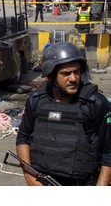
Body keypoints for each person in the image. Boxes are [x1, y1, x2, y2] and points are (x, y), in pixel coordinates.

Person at [16, 42, 111, 186]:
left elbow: (109, 152)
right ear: (51, 76)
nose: (73, 78)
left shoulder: (96, 103)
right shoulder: (36, 100)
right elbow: (23, 137)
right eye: (66, 73)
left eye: (77, 72)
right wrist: (30, 178)